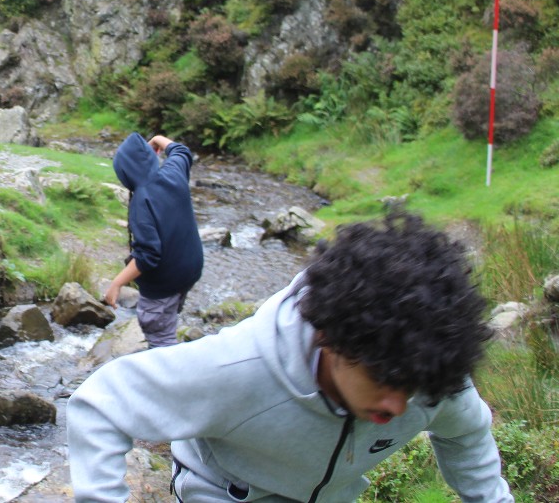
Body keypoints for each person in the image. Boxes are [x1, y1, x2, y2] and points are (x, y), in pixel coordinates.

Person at [67, 212, 512, 502]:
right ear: (331, 339)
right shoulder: (239, 368)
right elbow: (101, 403)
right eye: (385, 379)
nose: (399, 405)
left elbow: (468, 436)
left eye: (411, 388)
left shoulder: (428, 375)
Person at [106, 133, 204, 348]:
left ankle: (169, 370)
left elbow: (147, 255)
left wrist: (117, 283)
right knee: (170, 310)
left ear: (125, 174)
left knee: (159, 334)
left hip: (165, 279)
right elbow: (182, 151)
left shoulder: (142, 202)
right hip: (190, 269)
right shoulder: (172, 173)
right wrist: (158, 139)